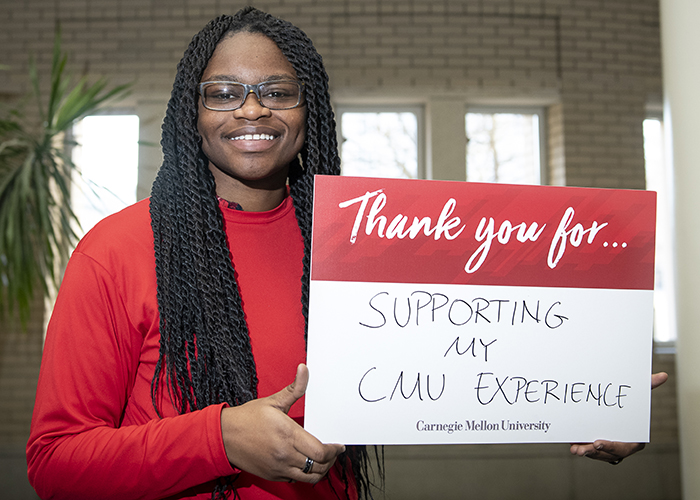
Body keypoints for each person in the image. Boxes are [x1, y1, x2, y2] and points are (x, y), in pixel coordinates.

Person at [25, 6, 665, 500]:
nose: (252, 109)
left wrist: (591, 398)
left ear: (311, 112)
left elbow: (464, 361)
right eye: (223, 92)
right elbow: (55, 463)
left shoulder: (363, 246)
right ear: (189, 114)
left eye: (278, 91)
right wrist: (218, 438)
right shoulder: (117, 251)